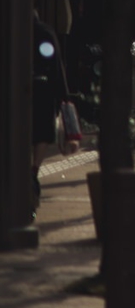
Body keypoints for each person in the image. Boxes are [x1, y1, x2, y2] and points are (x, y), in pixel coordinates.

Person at [32, 11, 74, 215]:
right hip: (42, 91)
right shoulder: (45, 32)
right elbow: (55, 65)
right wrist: (62, 95)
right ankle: (34, 169)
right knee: (41, 134)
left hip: (14, 92)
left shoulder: (10, 30)